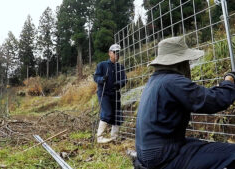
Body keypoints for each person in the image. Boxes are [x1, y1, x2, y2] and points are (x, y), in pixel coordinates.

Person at [135, 36, 235, 169]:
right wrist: (229, 80)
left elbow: (199, 95)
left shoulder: (155, 81)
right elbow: (215, 101)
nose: (188, 65)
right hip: (163, 157)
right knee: (231, 153)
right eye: (187, 61)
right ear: (179, 63)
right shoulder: (173, 81)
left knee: (198, 144)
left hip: (147, 155)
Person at [93, 44, 127, 144]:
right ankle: (100, 137)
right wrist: (102, 79)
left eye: (119, 53)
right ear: (109, 53)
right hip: (104, 93)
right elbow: (95, 77)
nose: (117, 54)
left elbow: (125, 79)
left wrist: (119, 84)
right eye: (115, 52)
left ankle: (114, 137)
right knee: (107, 113)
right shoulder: (102, 65)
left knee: (117, 115)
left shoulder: (120, 67)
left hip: (115, 94)